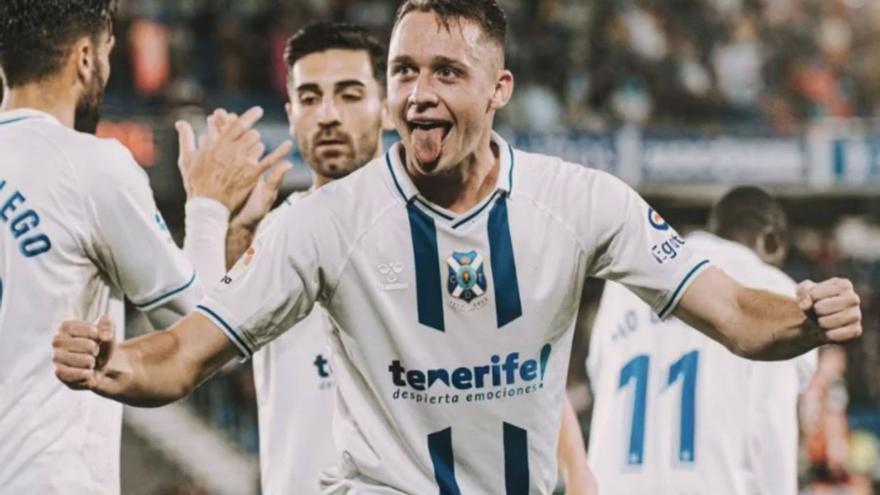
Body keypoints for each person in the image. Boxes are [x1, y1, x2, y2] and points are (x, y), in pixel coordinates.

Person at [52, 1, 861, 493]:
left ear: (498, 88)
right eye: (404, 71)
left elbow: (732, 310)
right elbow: (186, 352)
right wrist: (113, 362)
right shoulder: (323, 224)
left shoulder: (579, 203)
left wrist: (803, 316)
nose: (419, 93)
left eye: (446, 71)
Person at [206, 21, 595, 494]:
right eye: (309, 98)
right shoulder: (269, 238)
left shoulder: (455, 233)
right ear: (290, 114)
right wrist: (224, 231)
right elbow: (198, 356)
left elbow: (521, 362)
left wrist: (578, 473)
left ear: (389, 107)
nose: (328, 115)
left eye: (350, 95)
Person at [0, 1, 289, 493]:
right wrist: (207, 207)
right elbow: (197, 330)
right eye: (110, 54)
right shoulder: (88, 166)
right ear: (86, 57)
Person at [586, 186, 818, 495]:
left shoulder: (627, 283)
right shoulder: (772, 287)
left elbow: (600, 383)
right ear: (772, 241)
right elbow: (770, 425)